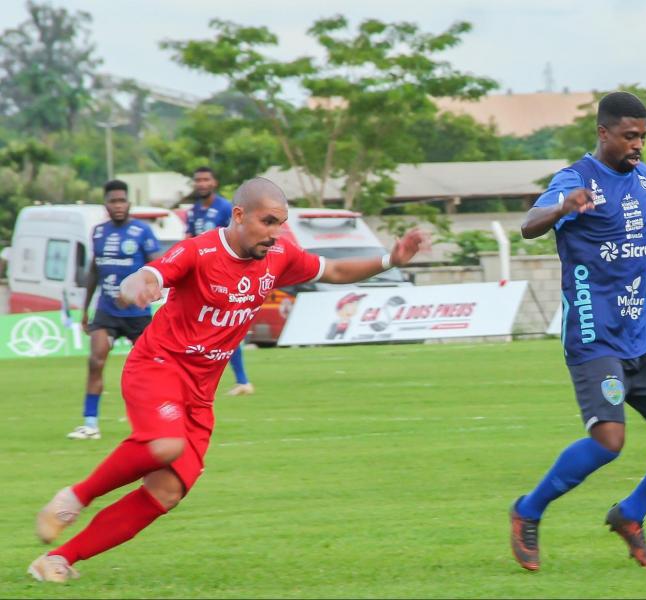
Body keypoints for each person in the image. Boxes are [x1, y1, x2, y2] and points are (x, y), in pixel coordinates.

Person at [28, 177, 427, 583]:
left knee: (167, 492)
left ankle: (58, 559)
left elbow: (335, 269)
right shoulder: (199, 252)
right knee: (165, 445)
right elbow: (151, 274)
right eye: (267, 221)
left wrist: (390, 259)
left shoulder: (278, 256)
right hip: (158, 366)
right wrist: (136, 285)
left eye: (280, 224)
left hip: (200, 395)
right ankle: (74, 498)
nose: (274, 233)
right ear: (239, 215)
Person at [510, 91, 646, 571]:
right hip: (593, 336)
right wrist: (563, 207)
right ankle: (527, 511)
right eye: (629, 136)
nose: (638, 145)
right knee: (609, 442)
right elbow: (527, 225)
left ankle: (631, 514)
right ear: (603, 133)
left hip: (643, 332)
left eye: (643, 136)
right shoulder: (574, 179)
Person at [66, 180, 160, 440]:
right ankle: (90, 424)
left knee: (150, 370)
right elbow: (94, 271)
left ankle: (154, 421)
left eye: (122, 200)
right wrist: (85, 310)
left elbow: (159, 270)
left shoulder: (143, 232)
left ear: (129, 203)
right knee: (95, 361)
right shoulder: (98, 233)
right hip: (106, 312)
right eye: (113, 201)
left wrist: (138, 295)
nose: (118, 205)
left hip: (138, 316)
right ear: (105, 205)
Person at [186, 166, 252, 396]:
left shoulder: (225, 208)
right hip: (201, 277)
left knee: (223, 327)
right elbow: (190, 241)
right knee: (214, 328)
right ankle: (239, 380)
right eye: (198, 180)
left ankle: (240, 380)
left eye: (206, 179)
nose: (202, 183)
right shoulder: (193, 211)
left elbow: (237, 237)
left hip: (223, 275)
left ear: (214, 183)